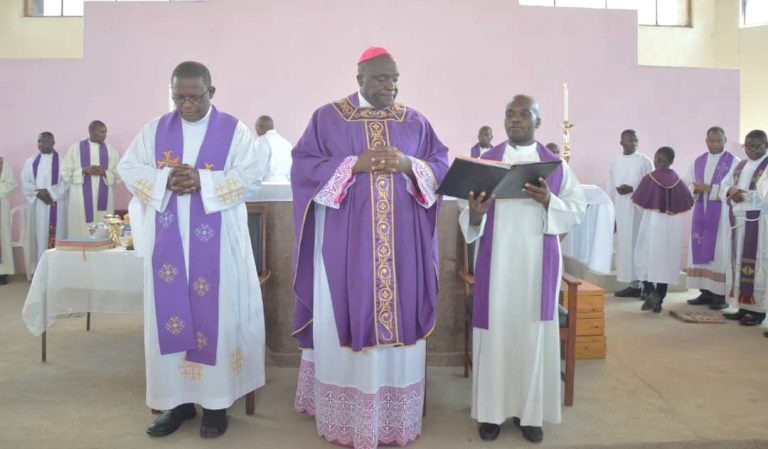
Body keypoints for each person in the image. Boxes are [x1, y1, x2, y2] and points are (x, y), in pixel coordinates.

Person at [291, 47, 449, 449]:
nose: (390, 86)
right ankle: (348, 418)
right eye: (381, 78)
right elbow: (303, 166)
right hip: (346, 247)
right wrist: (351, 166)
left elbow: (441, 164)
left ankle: (394, 421)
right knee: (348, 309)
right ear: (359, 77)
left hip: (404, 252)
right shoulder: (328, 118)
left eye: (395, 78)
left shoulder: (415, 120)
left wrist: (411, 165)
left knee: (400, 315)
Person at [118, 61, 268, 438]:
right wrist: (165, 178)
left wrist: (202, 181)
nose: (186, 105)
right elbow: (129, 168)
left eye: (194, 96)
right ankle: (176, 403)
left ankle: (216, 406)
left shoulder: (235, 132)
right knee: (169, 318)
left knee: (215, 317)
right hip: (168, 249)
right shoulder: (154, 131)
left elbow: (252, 177)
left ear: (211, 92)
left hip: (217, 251)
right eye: (178, 96)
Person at [461, 95, 586, 443]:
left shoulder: (556, 166)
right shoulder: (486, 161)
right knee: (497, 332)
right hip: (497, 264)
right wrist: (474, 213)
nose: (515, 120)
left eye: (523, 115)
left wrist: (551, 202)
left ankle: (530, 414)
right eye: (509, 114)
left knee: (532, 333)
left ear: (537, 122)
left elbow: (577, 208)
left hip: (536, 265)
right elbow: (466, 212)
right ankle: (490, 413)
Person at [632, 147, 694, 313]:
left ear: (658, 160)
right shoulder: (678, 181)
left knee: (643, 257)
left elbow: (639, 205)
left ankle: (650, 291)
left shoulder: (650, 179)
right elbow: (688, 202)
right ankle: (660, 298)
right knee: (665, 262)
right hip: (672, 228)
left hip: (652, 224)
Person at [684, 127, 739, 310]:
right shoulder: (698, 161)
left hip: (722, 215)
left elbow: (734, 189)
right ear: (706, 140)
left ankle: (720, 295)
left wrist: (711, 189)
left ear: (725, 140)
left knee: (719, 252)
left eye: (718, 140)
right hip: (701, 212)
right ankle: (705, 292)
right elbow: (687, 183)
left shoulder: (734, 162)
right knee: (701, 250)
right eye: (711, 140)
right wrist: (695, 189)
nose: (715, 144)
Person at [722, 130, 768, 327]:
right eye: (747, 146)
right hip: (740, 222)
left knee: (756, 263)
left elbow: (764, 196)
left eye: (755, 146)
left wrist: (742, 195)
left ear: (765, 144)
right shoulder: (740, 166)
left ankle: (757, 311)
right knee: (739, 261)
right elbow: (724, 186)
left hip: (759, 223)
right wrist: (730, 191)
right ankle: (743, 305)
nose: (750, 150)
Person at [608, 129, 654, 298]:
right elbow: (610, 188)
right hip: (622, 211)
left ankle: (646, 286)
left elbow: (652, 186)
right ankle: (633, 285)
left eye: (635, 140)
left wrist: (632, 189)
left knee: (641, 247)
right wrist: (612, 215)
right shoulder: (616, 162)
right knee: (626, 247)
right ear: (621, 142)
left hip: (640, 212)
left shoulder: (645, 161)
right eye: (629, 140)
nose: (634, 143)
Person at [61, 120, 121, 238]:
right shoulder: (75, 149)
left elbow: (118, 175)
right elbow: (65, 173)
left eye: (105, 132)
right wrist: (83, 170)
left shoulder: (111, 151)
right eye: (101, 132)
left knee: (103, 227)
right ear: (91, 132)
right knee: (81, 228)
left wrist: (104, 173)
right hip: (80, 198)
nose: (104, 135)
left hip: (103, 198)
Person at [20, 132, 69, 274]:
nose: (42, 144)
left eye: (46, 141)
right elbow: (25, 181)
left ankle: (57, 270)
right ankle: (39, 271)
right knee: (38, 235)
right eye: (40, 141)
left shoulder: (63, 161)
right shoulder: (30, 162)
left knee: (58, 234)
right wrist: (38, 193)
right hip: (38, 205)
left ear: (53, 142)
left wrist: (51, 193)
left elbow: (66, 181)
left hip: (57, 205)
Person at [255, 115, 293, 182]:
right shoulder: (287, 143)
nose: (256, 132)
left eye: (256, 128)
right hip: (286, 185)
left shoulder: (262, 141)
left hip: (267, 185)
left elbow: (258, 168)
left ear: (261, 127)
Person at [0, 157, 17, 285]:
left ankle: (2, 271)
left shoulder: (3, 164)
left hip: (1, 204)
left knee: (2, 237)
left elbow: (11, 183)